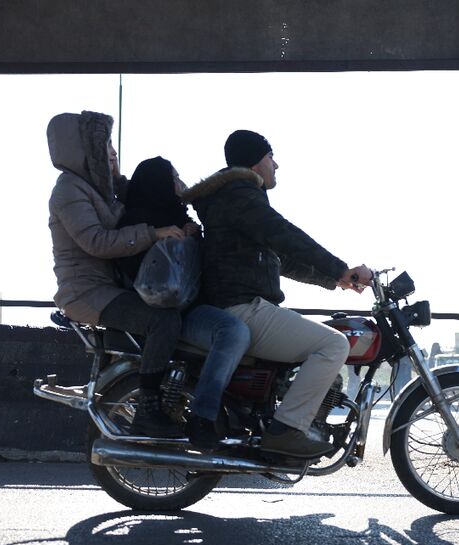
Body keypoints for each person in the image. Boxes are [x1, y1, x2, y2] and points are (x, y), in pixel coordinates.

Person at [180, 130, 371, 458]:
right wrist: (340, 267)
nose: (276, 165)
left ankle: (280, 419)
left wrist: (334, 280)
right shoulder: (241, 194)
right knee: (333, 344)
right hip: (241, 307)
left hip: (241, 304)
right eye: (271, 157)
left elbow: (280, 259)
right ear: (256, 161)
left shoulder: (233, 197)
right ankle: (288, 429)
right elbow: (284, 235)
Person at [47, 111, 184, 438]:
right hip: (87, 293)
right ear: (81, 148)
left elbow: (148, 194)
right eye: (104, 143)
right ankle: (149, 407)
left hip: (110, 287)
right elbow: (96, 241)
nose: (112, 150)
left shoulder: (103, 187)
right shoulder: (69, 190)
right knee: (162, 321)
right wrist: (155, 233)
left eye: (111, 142)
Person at [117, 156, 252, 450]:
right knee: (232, 331)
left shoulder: (180, 217)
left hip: (191, 307)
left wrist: (191, 235)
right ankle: (203, 416)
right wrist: (165, 241)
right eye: (174, 178)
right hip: (169, 312)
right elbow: (142, 279)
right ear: (159, 183)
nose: (180, 184)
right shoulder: (137, 221)